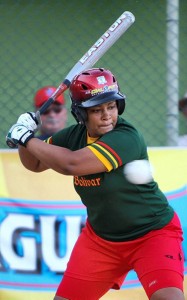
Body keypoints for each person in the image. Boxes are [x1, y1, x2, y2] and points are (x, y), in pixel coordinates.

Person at [6, 68, 185, 300]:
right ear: (81, 114)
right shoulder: (74, 136)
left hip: (152, 234)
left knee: (168, 298)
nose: (107, 115)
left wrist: (27, 138)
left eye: (111, 107)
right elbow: (35, 164)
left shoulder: (126, 136)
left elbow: (72, 165)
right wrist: (26, 136)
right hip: (101, 241)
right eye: (96, 110)